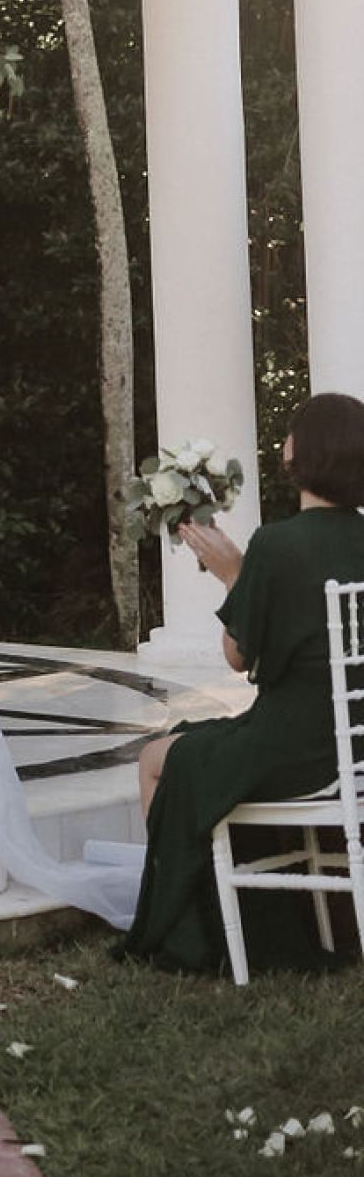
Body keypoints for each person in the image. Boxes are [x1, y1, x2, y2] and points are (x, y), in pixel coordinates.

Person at [125, 390, 364, 975]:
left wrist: (233, 574)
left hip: (295, 753)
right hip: (353, 749)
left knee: (160, 756)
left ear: (299, 456)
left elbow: (237, 657)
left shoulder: (276, 546)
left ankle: (184, 924)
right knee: (199, 738)